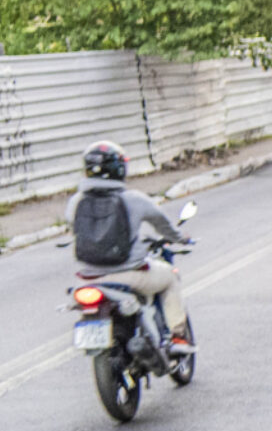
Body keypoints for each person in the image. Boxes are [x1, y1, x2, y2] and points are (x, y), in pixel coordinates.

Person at [68, 141, 193, 356]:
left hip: (89, 278)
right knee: (171, 278)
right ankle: (178, 337)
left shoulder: (76, 202)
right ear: (119, 169)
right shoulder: (133, 200)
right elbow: (162, 224)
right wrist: (180, 238)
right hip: (130, 276)